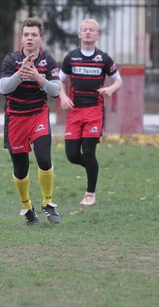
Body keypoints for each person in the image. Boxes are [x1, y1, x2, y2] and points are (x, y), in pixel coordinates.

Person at [0, 17, 61, 225]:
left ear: (41, 38)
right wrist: (20, 73)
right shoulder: (11, 60)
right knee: (21, 168)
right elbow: (3, 88)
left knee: (44, 158)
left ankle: (48, 203)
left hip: (38, 114)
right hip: (15, 118)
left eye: (34, 34)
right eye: (26, 34)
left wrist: (38, 77)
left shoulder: (48, 61)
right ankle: (27, 207)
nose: (29, 38)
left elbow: (56, 90)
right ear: (21, 37)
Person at [58, 19, 122, 206]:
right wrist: (62, 97)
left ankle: (90, 194)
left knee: (88, 151)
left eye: (91, 30)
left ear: (97, 35)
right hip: (75, 111)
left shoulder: (104, 58)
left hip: (94, 112)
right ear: (79, 34)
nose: (88, 32)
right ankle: (92, 168)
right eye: (84, 30)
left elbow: (118, 81)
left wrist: (110, 89)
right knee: (71, 155)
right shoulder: (71, 57)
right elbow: (59, 80)